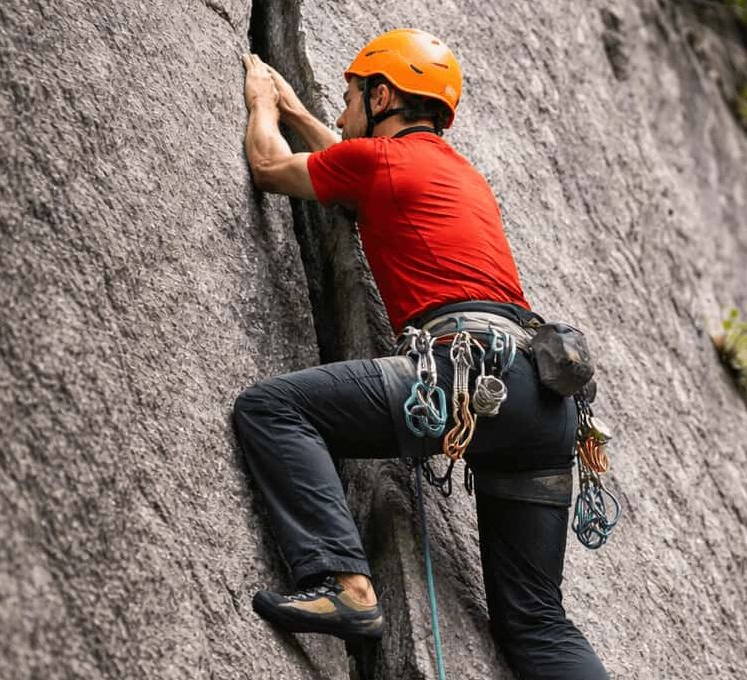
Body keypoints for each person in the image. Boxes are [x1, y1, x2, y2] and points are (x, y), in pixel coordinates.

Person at [233, 28, 610, 680]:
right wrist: (302, 113)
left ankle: (342, 584)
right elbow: (359, 178)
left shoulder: (382, 162)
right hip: (543, 403)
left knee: (273, 409)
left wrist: (264, 103)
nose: (345, 116)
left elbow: (271, 169)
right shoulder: (456, 173)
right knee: (536, 623)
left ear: (383, 96)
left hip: (467, 377)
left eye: (351, 99)